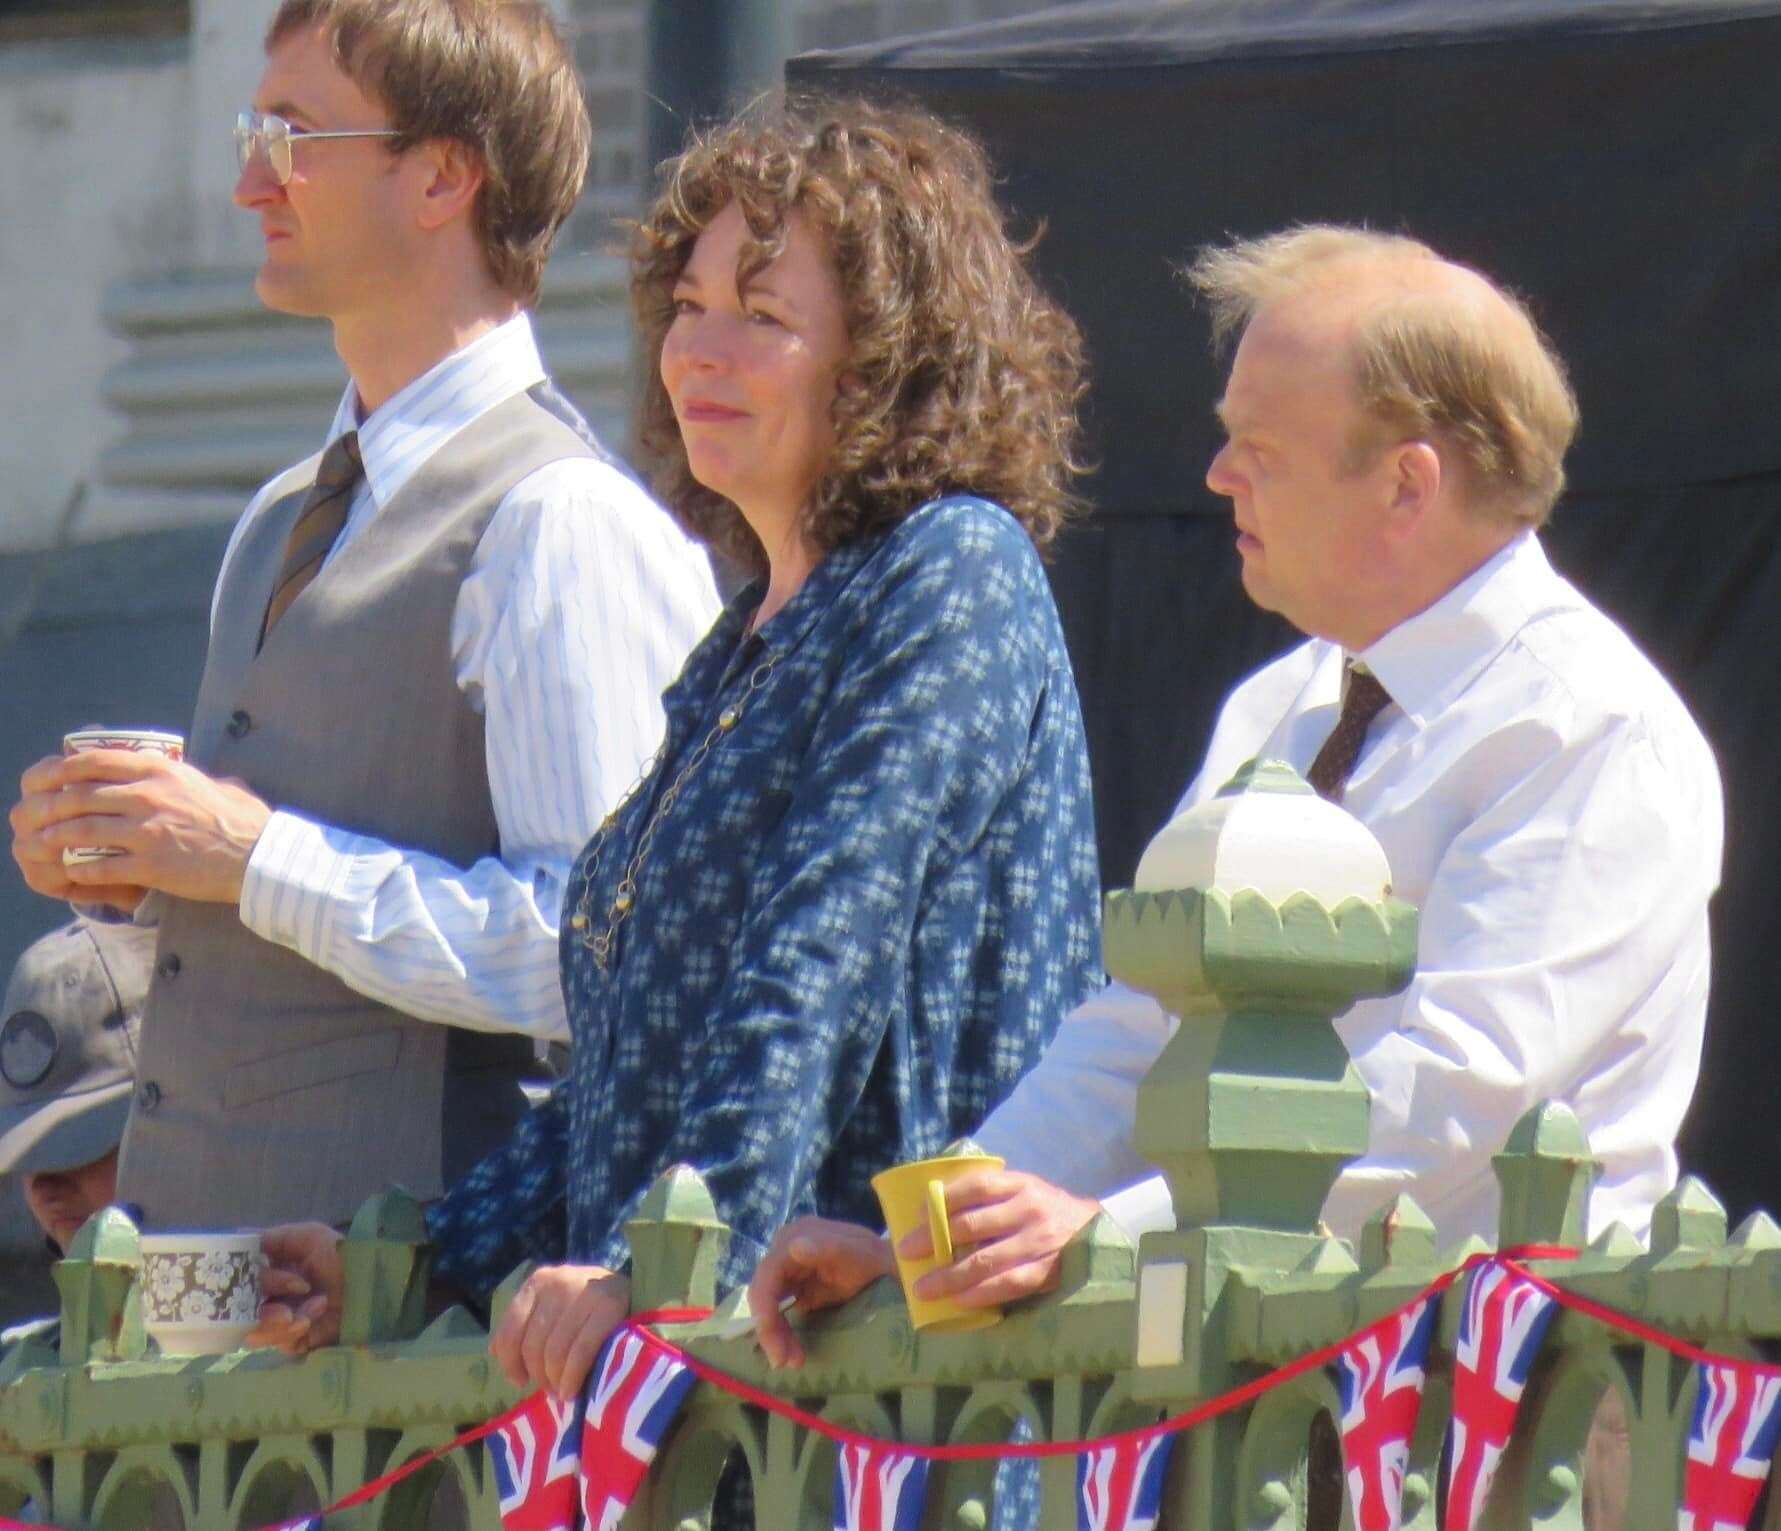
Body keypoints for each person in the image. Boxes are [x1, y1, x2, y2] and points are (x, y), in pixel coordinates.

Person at [249, 95, 1103, 1405]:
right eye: (688, 305)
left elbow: (816, 956)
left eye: (761, 316)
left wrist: (664, 1265)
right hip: (716, 1400)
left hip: (887, 1401)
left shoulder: (948, 569)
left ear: (887, 358)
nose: (698, 350)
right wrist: (411, 1261)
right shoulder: (738, 641)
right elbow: (631, 1058)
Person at [747, 224, 1722, 1368]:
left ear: (1407, 483)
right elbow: (1138, 1030)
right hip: (1273, 1403)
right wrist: (931, 1240)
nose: (1216, 477)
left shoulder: (1591, 728)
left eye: (1257, 447)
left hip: (1503, 1418)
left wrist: (1107, 1236)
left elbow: (1456, 1094)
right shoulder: (1283, 702)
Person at [6, 0, 718, 1232]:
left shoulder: (560, 521)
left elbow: (596, 953)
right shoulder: (277, 518)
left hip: (429, 1341)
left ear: (443, 174)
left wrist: (250, 853)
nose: (247, 183)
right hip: (223, 1333)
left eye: (292, 136)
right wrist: (147, 865)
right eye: (250, 131)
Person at [1, 919, 156, 1353]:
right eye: (26, 1154)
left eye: (73, 1147)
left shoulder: (294, 1326)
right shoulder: (17, 1367)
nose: (45, 1185)